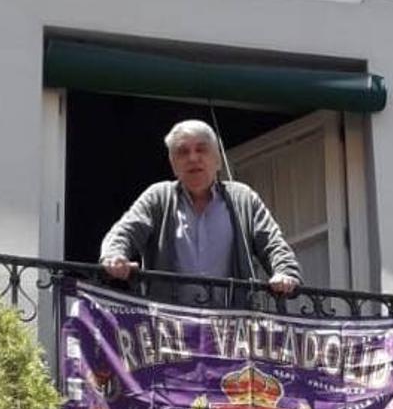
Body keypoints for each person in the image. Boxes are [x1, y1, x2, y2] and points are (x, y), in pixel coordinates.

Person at [100, 120, 302, 299]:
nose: (193, 158)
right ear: (173, 164)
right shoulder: (158, 197)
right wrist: (114, 256)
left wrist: (286, 273)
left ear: (218, 160)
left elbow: (273, 244)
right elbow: (125, 232)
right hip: (170, 328)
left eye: (201, 149)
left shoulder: (243, 199)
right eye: (183, 152)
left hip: (231, 328)